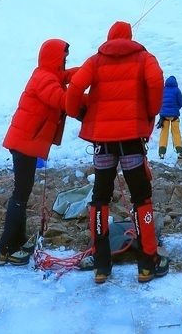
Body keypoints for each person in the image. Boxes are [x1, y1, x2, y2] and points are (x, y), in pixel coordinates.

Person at [64, 20, 169, 284]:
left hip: (103, 140)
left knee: (100, 196)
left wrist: (76, 112)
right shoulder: (145, 57)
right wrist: (149, 111)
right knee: (141, 196)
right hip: (131, 138)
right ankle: (147, 263)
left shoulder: (96, 60)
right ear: (130, 37)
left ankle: (101, 265)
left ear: (109, 38)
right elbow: (156, 82)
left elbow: (75, 87)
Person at [0, 39, 73, 266]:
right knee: (20, 195)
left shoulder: (47, 74)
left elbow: (65, 77)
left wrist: (87, 71)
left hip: (25, 142)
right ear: (55, 58)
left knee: (22, 193)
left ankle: (17, 243)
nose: (65, 62)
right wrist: (83, 96)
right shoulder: (45, 78)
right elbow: (61, 100)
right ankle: (5, 250)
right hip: (24, 142)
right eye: (63, 58)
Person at [157, 75, 182, 161]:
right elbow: (180, 102)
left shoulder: (163, 89)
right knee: (176, 133)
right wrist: (175, 109)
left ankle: (161, 153)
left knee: (164, 133)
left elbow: (159, 101)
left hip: (164, 116)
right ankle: (180, 152)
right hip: (174, 116)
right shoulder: (177, 90)